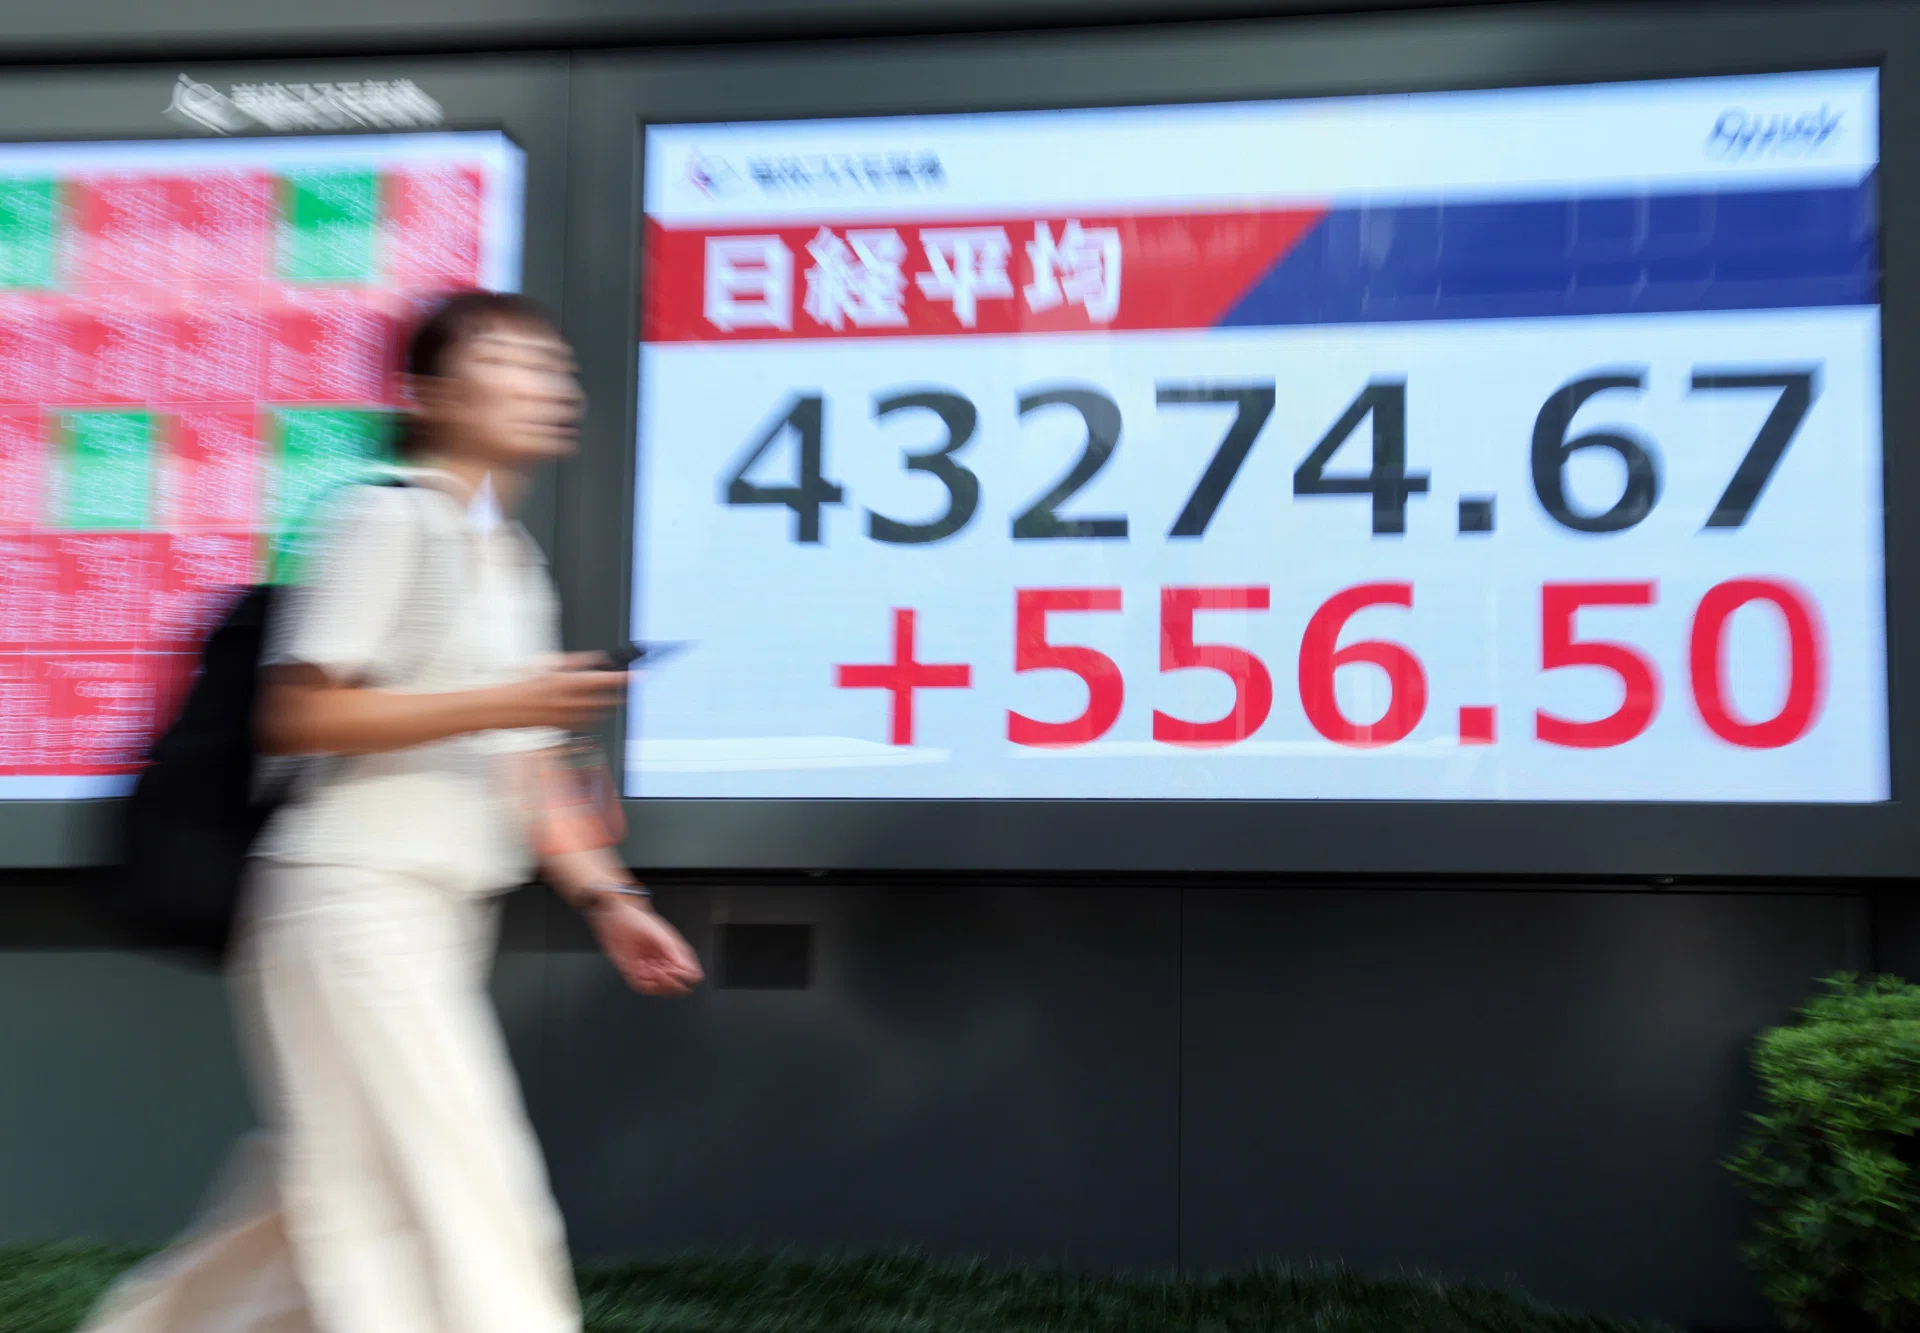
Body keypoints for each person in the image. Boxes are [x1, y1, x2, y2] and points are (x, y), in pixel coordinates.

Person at [82, 290, 703, 1333]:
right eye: (511, 362)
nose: (549, 385)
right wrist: (510, 699)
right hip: (350, 899)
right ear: (427, 393)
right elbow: (300, 712)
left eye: (554, 367)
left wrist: (613, 899)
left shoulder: (509, 559)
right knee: (468, 1183)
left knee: (334, 1190)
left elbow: (529, 769)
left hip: (432, 914)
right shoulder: (382, 519)